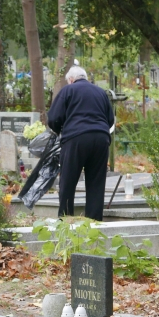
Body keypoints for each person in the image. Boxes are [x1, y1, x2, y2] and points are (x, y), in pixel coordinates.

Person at [47, 65, 115, 220]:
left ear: (71, 80)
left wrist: (59, 130)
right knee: (96, 182)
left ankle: (66, 218)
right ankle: (94, 221)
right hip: (101, 138)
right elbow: (110, 119)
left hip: (76, 138)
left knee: (68, 180)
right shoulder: (100, 92)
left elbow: (53, 118)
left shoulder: (68, 91)